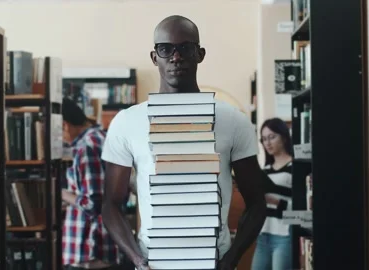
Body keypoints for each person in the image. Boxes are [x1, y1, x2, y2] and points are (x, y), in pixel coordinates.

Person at [101, 15, 267, 270]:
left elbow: (256, 202)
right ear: (154, 57)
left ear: (200, 54)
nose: (175, 57)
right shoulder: (127, 122)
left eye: (185, 48)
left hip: (214, 259)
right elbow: (111, 203)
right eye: (165, 49)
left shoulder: (234, 120)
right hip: (153, 261)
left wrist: (231, 260)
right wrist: (137, 259)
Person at [61, 98, 121, 270]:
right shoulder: (100, 138)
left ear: (65, 125)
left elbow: (93, 203)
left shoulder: (86, 147)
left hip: (89, 250)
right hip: (99, 247)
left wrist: (61, 193)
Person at [251, 118, 293, 270]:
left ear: (284, 136)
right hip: (264, 234)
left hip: (284, 235)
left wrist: (276, 202)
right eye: (264, 139)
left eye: (272, 137)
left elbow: (304, 208)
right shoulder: (266, 169)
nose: (267, 143)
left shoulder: (295, 167)